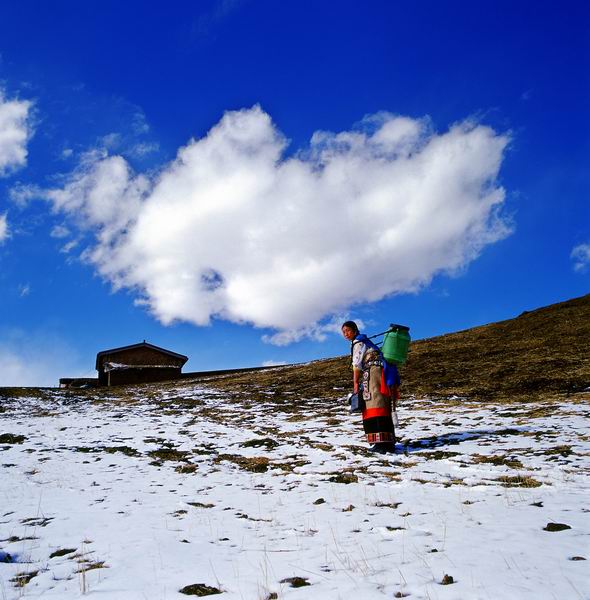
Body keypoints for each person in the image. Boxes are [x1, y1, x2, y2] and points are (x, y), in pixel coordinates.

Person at [342, 320, 397, 454]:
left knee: (374, 403)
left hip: (373, 374)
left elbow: (357, 364)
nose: (346, 334)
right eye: (343, 332)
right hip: (379, 372)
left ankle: (381, 444)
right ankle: (387, 442)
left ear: (355, 330)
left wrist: (355, 384)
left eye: (348, 331)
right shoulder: (365, 341)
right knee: (381, 402)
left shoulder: (358, 342)